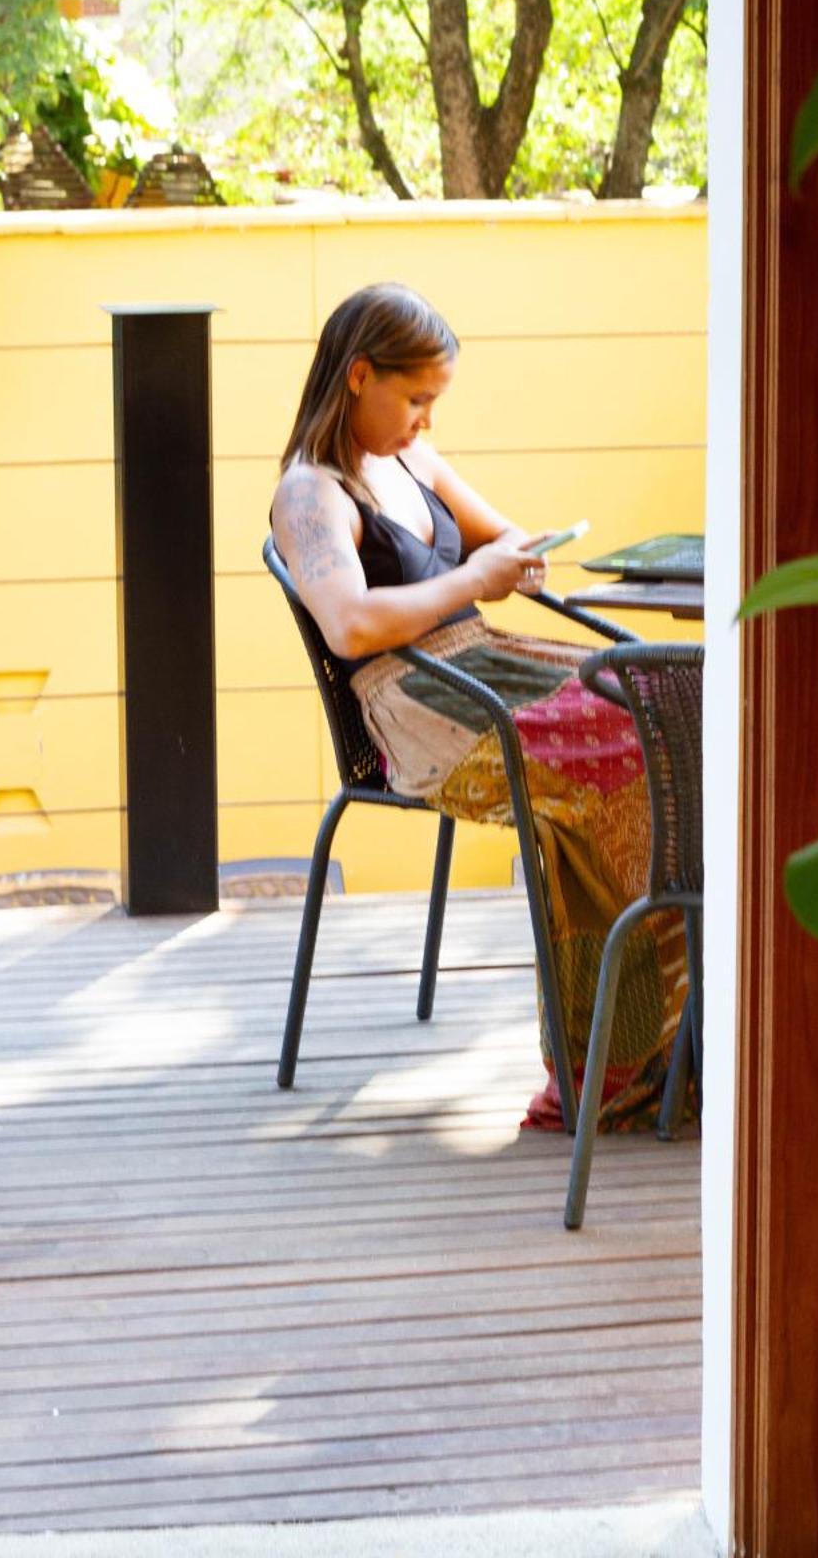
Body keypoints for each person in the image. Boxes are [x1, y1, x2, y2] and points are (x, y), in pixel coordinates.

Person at [271, 281, 687, 1128]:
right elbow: (350, 626)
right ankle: (613, 1064)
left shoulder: (410, 461)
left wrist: (515, 557)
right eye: (415, 398)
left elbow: (498, 535)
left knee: (667, 705)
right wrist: (471, 579)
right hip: (425, 705)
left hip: (489, 664)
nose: (425, 420)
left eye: (434, 400)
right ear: (358, 376)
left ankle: (677, 1038)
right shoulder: (310, 493)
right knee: (630, 751)